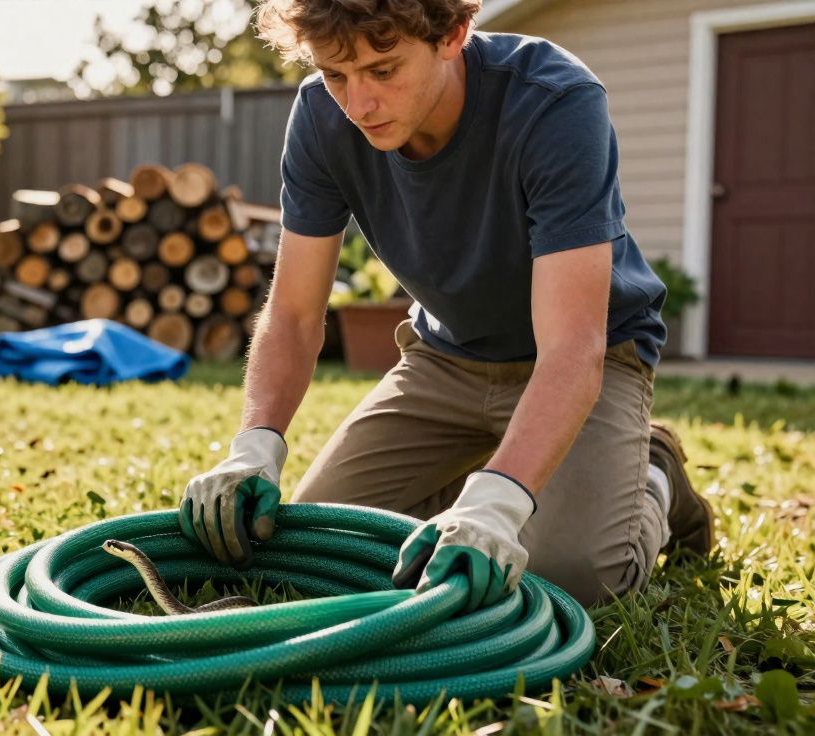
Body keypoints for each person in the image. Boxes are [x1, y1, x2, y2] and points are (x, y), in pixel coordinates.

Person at [177, 0, 715, 610]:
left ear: (454, 35)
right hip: (444, 359)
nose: (358, 105)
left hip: (587, 360)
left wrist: (499, 503)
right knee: (327, 551)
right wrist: (256, 445)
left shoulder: (554, 101)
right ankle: (493, 482)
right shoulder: (320, 117)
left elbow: (573, 346)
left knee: (567, 575)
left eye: (383, 70)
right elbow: (297, 314)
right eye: (335, 74)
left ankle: (654, 476)